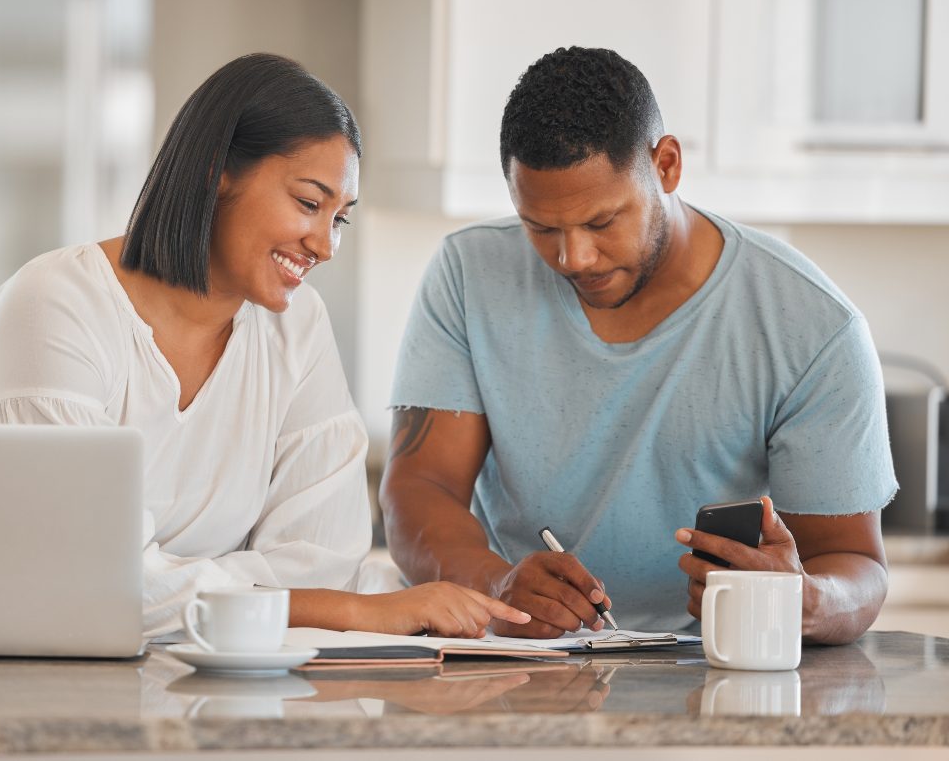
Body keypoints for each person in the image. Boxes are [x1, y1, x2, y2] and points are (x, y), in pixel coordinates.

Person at [0, 53, 528, 640]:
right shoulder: (52, 306)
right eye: (309, 204)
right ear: (217, 173)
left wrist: (167, 582)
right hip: (35, 680)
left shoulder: (296, 325)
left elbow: (325, 560)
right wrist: (347, 610)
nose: (326, 246)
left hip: (220, 683)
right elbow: (92, 583)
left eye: (341, 218)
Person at [379, 46, 895, 645]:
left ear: (667, 165)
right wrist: (497, 586)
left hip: (709, 667)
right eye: (541, 228)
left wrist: (804, 599)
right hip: (514, 659)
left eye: (601, 222)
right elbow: (419, 490)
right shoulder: (467, 275)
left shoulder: (812, 326)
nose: (573, 258)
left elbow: (858, 567)